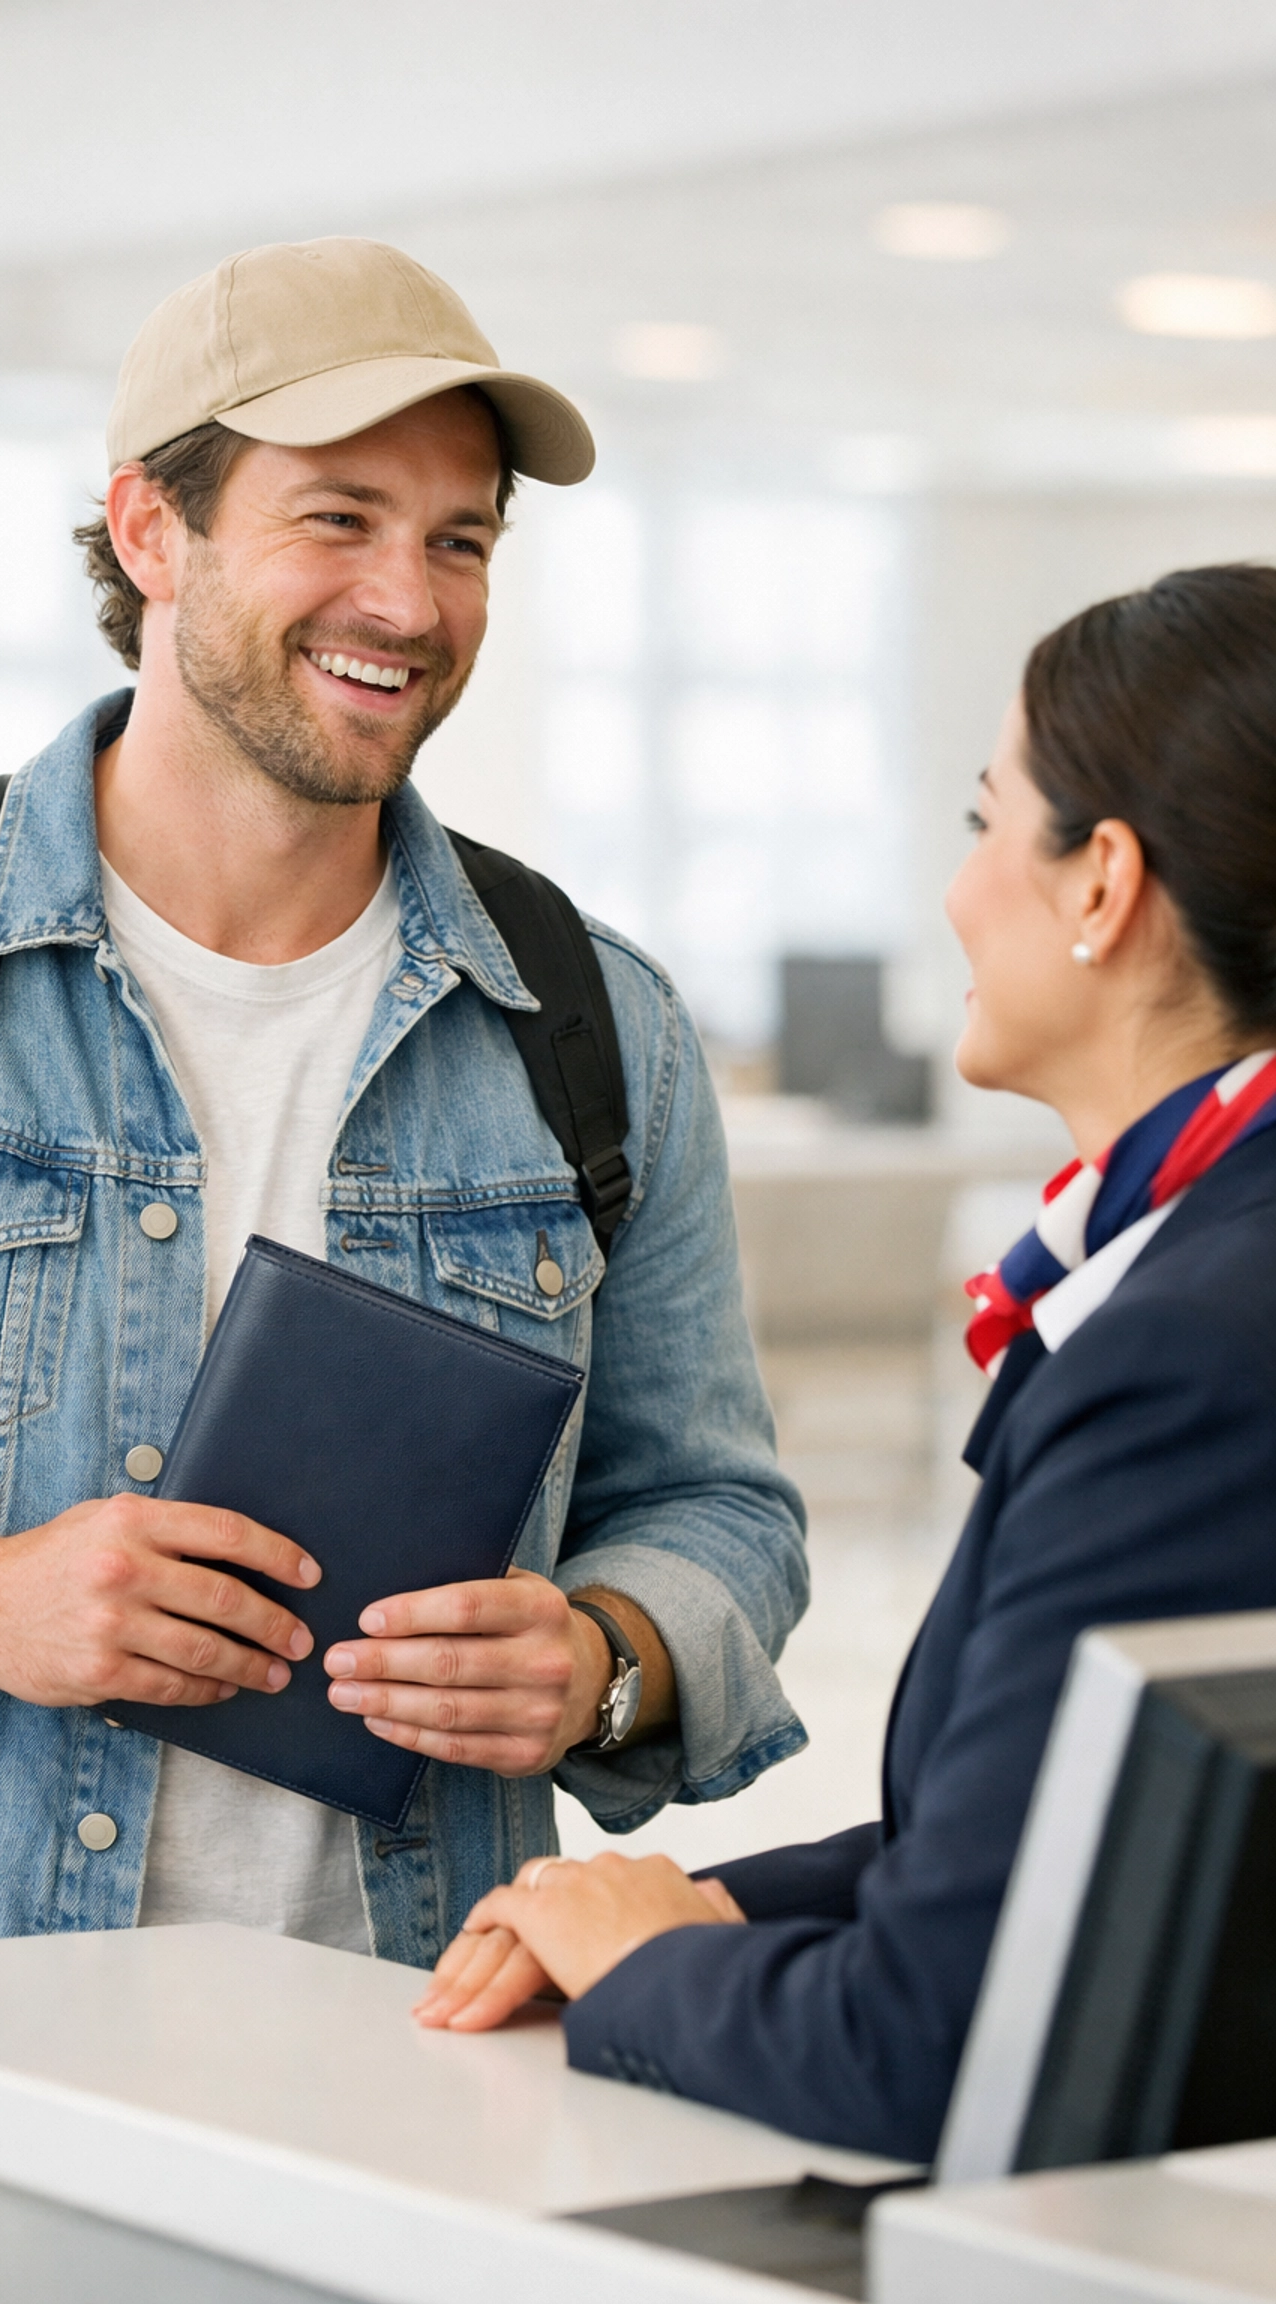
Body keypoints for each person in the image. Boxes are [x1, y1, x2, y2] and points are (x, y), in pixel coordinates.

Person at [0, 238, 808, 1965]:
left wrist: (606, 1658)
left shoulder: (595, 1020)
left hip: (404, 2044)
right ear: (153, 531)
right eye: (340, 518)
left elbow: (716, 1506)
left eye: (462, 540)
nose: (412, 600)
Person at [415, 561, 1276, 2162]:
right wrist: (687, 1901)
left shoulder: (1185, 1354)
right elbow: (1049, 1838)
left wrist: (654, 1968)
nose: (955, 892)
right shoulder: (1202, 1262)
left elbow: (923, 2045)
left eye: (983, 823)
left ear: (1103, 886)